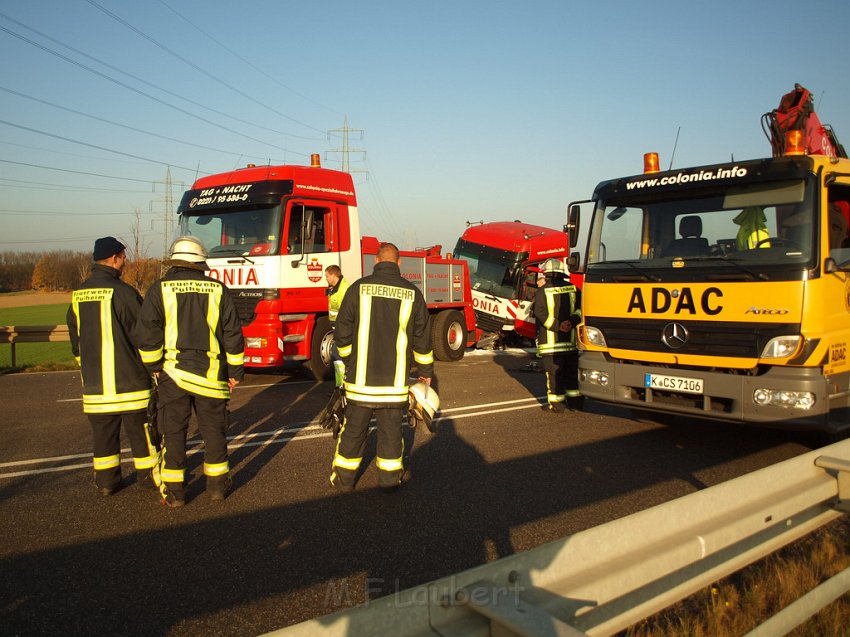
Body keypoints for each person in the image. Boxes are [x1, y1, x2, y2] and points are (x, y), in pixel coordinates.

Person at [134, 236, 245, 508]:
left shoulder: (159, 289)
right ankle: (218, 487)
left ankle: (175, 494)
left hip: (173, 375)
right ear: (199, 264)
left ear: (174, 262)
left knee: (173, 433)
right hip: (211, 376)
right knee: (214, 432)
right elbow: (232, 334)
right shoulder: (218, 289)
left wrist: (154, 367)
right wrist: (235, 371)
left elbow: (147, 335)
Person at [330, 242, 434, 493]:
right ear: (398, 264)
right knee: (390, 434)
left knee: (353, 433)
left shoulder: (357, 288)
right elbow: (422, 339)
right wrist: (425, 373)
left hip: (360, 384)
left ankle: (344, 482)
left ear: (376, 262)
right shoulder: (412, 293)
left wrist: (349, 361)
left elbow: (341, 333)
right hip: (394, 385)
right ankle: (389, 481)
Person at [66, 236, 157, 496]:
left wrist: (89, 369)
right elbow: (143, 335)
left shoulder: (78, 295)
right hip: (130, 384)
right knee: (143, 436)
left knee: (103, 439)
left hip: (96, 386)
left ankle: (107, 483)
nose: (126, 262)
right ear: (115, 258)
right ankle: (150, 478)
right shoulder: (124, 293)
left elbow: (76, 342)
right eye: (124, 257)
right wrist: (152, 368)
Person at [533, 258, 582, 413]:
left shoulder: (542, 291)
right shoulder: (574, 289)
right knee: (572, 374)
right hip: (571, 343)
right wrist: (571, 322)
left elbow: (540, 313)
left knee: (555, 376)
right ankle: (575, 404)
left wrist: (558, 326)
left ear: (546, 274)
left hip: (551, 344)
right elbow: (581, 310)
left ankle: (557, 405)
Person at [324, 264, 350, 387]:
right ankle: (340, 386)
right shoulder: (335, 288)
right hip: (338, 328)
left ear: (334, 276)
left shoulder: (344, 290)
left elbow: (346, 313)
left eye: (327, 276)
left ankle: (341, 386)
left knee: (337, 355)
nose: (326, 279)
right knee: (337, 356)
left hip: (342, 329)